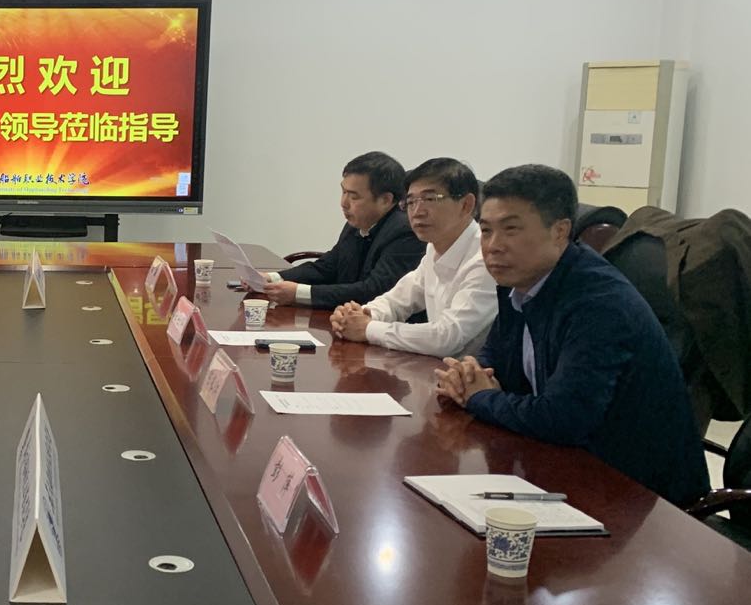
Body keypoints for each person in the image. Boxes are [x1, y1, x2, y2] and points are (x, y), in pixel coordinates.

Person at [434, 165, 708, 506]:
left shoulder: (598, 303)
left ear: (560, 231)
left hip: (638, 495)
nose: (492, 247)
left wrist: (478, 397)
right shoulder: (517, 280)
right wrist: (468, 373)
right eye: (486, 231)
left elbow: (563, 418)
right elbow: (496, 357)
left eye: (511, 229)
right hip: (563, 463)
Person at [331, 157, 496, 357]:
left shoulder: (486, 259)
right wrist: (360, 315)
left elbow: (446, 337)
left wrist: (367, 328)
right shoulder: (435, 247)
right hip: (435, 368)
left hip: (471, 373)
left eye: (430, 199)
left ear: (466, 205)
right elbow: (397, 300)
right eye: (410, 202)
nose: (417, 212)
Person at [264, 151, 424, 309]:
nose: (343, 203)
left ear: (385, 200)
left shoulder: (406, 233)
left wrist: (298, 293)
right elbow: (327, 267)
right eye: (343, 192)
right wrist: (272, 279)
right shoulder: (356, 224)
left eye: (354, 197)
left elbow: (374, 291)